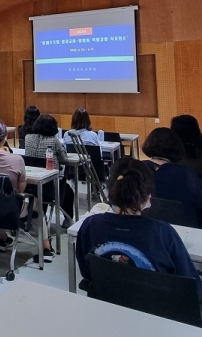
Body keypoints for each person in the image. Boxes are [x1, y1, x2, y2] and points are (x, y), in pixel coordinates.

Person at [76, 157, 202, 300]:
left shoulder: (90, 225)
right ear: (148, 196)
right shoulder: (163, 234)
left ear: (111, 190)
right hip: (157, 314)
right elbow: (194, 289)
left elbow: (87, 271)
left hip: (107, 310)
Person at [0, 118, 55, 261]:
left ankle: (3, 239)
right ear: (5, 137)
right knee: (34, 202)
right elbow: (20, 188)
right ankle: (46, 247)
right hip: (10, 209)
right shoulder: (16, 160)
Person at [142, 127, 202, 228]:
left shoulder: (136, 169)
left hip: (144, 227)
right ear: (176, 147)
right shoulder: (186, 174)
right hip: (185, 231)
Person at [25, 114, 75, 227]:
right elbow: (64, 158)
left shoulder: (28, 138)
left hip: (31, 185)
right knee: (68, 191)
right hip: (50, 187)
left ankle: (40, 217)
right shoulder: (54, 141)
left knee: (43, 190)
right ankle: (67, 221)